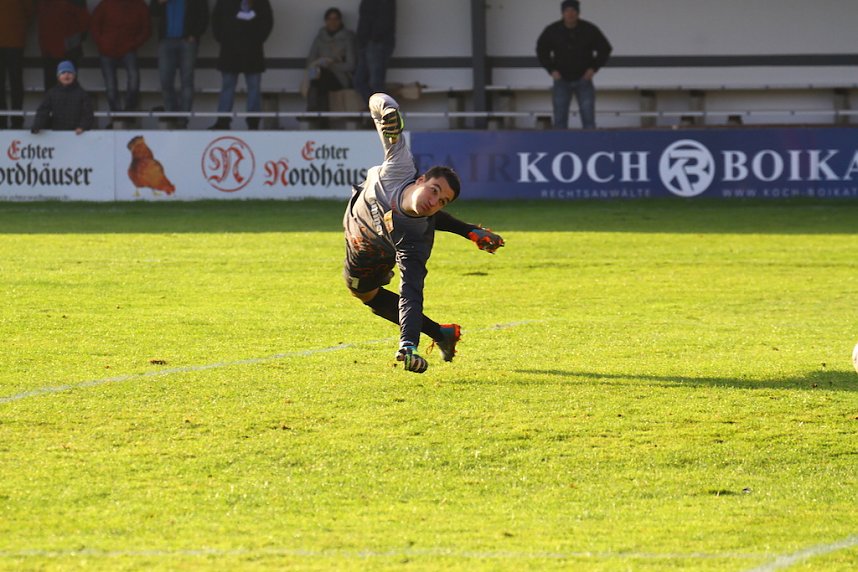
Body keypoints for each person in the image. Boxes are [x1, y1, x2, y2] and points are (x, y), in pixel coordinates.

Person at [343, 93, 505, 374]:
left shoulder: (416, 243)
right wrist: (389, 108)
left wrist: (408, 344)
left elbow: (411, 293)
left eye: (443, 201)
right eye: (434, 190)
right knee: (416, 213)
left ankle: (439, 333)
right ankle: (443, 333)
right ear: (420, 180)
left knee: (364, 292)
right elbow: (376, 102)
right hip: (361, 223)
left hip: (371, 252)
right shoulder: (400, 166)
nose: (435, 200)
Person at [536, 0, 612, 129]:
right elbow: (541, 50)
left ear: (578, 13)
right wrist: (551, 69)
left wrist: (593, 68)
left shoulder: (589, 29)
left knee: (589, 120)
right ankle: (560, 142)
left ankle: (589, 142)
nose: (570, 14)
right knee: (560, 121)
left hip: (584, 80)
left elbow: (605, 49)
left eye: (573, 10)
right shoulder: (552, 30)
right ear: (562, 13)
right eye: (567, 11)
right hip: (561, 80)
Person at [209, 0, 273, 131]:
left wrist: (259, 38)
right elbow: (216, 18)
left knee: (254, 87)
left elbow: (268, 20)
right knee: (228, 85)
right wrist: (221, 37)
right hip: (229, 48)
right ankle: (223, 121)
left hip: (253, 49)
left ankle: (253, 122)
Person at [149, 0, 209, 129]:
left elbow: (204, 14)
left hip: (187, 41)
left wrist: (195, 34)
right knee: (165, 80)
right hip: (166, 40)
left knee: (187, 80)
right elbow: (153, 11)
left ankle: (182, 119)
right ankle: (172, 115)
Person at [90, 0, 151, 127]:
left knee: (134, 80)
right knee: (111, 86)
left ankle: (128, 113)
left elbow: (146, 30)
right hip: (107, 50)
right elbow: (94, 24)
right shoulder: (106, 4)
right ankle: (117, 115)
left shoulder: (139, 5)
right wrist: (101, 43)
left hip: (128, 49)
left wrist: (134, 44)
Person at [303, 7, 356, 128]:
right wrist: (320, 62)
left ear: (340, 21)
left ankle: (314, 114)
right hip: (320, 74)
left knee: (320, 80)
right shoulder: (320, 38)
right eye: (329, 19)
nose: (333, 22)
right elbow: (310, 61)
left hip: (340, 77)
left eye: (335, 19)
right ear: (325, 21)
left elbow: (351, 65)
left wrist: (332, 65)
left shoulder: (347, 38)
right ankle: (322, 121)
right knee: (320, 80)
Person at [36, 0, 90, 92]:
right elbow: (84, 21)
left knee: (51, 84)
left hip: (49, 48)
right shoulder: (75, 3)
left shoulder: (43, 3)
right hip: (69, 49)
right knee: (68, 85)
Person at [30, 60, 94, 135]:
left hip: (76, 134)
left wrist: (82, 127)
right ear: (58, 77)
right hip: (57, 133)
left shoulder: (82, 93)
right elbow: (43, 111)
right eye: (63, 73)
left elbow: (88, 114)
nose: (66, 75)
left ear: (74, 76)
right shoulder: (52, 93)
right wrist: (37, 125)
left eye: (70, 72)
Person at [0, 0, 34, 129]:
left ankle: (2, 121)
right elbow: (30, 11)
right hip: (16, 40)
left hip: (14, 40)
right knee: (16, 82)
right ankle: (16, 120)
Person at [353, 0, 395, 102]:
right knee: (360, 81)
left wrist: (373, 38)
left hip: (377, 43)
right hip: (368, 42)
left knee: (375, 83)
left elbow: (384, 19)